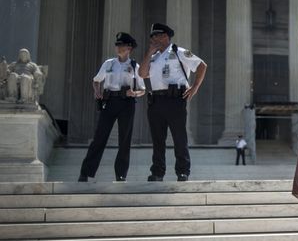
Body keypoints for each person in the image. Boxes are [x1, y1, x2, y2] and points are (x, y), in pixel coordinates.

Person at [140, 23, 207, 182]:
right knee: (157, 139)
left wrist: (195, 87)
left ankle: (182, 171)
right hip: (156, 100)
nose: (154, 39)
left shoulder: (180, 52)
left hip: (175, 99)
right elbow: (142, 74)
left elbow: (202, 65)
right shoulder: (154, 57)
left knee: (179, 137)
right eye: (153, 37)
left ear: (166, 36)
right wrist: (149, 53)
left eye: (157, 36)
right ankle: (157, 172)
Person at [78, 32, 145, 182]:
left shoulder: (135, 66)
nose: (118, 48)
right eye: (117, 45)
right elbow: (96, 80)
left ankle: (121, 174)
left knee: (124, 140)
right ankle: (85, 172)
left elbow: (143, 90)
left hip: (127, 103)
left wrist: (134, 93)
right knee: (99, 138)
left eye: (121, 45)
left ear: (129, 48)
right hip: (109, 102)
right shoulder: (109, 63)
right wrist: (97, 91)